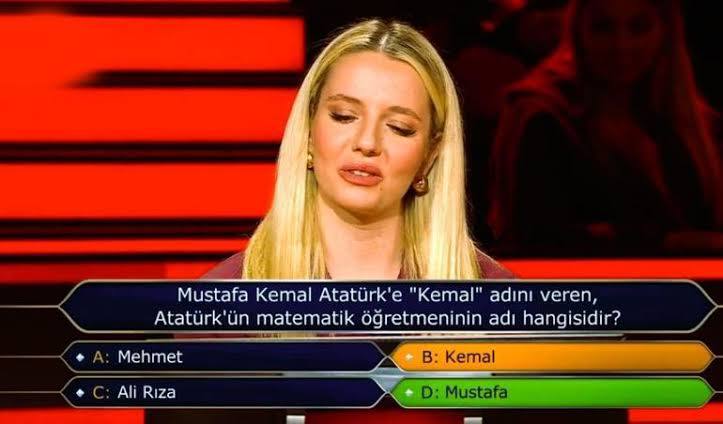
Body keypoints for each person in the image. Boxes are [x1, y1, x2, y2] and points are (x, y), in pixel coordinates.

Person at [489, 0, 723, 252]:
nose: (621, 45)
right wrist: (668, 243)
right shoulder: (545, 118)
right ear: (577, 30)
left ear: (666, 31)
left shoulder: (690, 122)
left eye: (639, 27)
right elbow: (542, 239)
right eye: (603, 27)